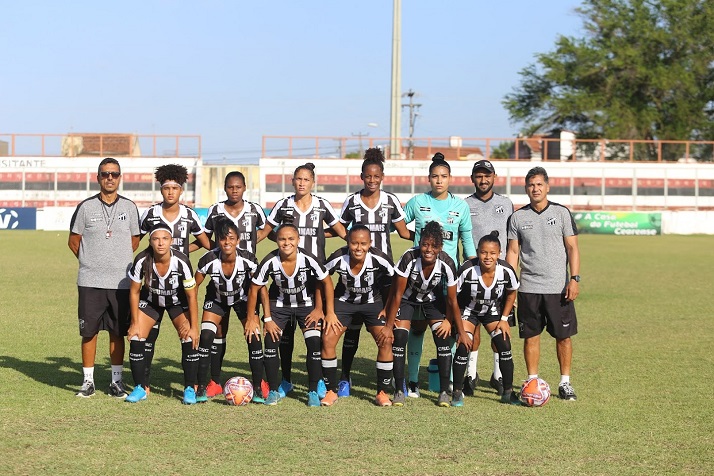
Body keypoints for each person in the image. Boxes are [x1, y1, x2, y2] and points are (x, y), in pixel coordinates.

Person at [262, 163, 346, 397]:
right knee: (286, 334)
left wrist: (361, 246)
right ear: (293, 181)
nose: (302, 183)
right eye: (298, 179)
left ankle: (316, 381)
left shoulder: (321, 205)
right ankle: (286, 380)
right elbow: (268, 230)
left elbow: (340, 230)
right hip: (288, 274)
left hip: (314, 277)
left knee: (313, 330)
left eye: (306, 180)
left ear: (313, 182)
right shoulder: (283, 204)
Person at [336, 148, 410, 397]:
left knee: (392, 329)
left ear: (382, 177)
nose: (372, 180)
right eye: (368, 176)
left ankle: (394, 382)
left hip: (383, 277)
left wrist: (429, 236)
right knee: (352, 329)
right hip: (355, 272)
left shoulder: (390, 201)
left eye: (376, 176)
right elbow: (340, 229)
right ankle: (345, 378)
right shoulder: (352, 201)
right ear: (362, 177)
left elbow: (403, 232)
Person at [402, 153, 476, 398]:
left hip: (448, 279)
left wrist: (473, 266)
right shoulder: (417, 202)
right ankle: (412, 381)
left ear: (450, 179)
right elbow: (400, 224)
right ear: (429, 179)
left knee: (450, 328)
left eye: (443, 176)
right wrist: (413, 241)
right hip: (419, 277)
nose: (439, 181)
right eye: (435, 176)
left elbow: (466, 240)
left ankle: (453, 382)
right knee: (417, 328)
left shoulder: (460, 206)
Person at [244, 224, 342, 407]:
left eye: (291, 239)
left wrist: (326, 311)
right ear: (276, 240)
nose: (286, 243)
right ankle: (274, 389)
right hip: (279, 307)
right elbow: (254, 289)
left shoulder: (308, 258)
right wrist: (254, 318)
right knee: (270, 343)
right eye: (282, 239)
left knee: (314, 343)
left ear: (298, 240)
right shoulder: (270, 260)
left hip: (306, 307)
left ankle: (312, 391)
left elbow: (327, 282)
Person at [506, 166, 580, 401]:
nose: (535, 188)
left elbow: (572, 248)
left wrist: (574, 279)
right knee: (531, 336)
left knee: (563, 337)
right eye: (531, 184)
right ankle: (532, 380)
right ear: (526, 188)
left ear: (547, 187)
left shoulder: (561, 213)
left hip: (558, 288)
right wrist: (511, 285)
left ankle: (565, 382)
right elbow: (513, 252)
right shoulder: (517, 217)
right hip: (529, 288)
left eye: (539, 184)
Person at [68, 157, 141, 398]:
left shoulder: (130, 207)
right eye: (105, 173)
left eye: (114, 174)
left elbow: (134, 240)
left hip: (121, 282)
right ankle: (88, 381)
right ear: (98, 177)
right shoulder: (86, 207)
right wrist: (91, 261)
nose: (110, 177)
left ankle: (116, 382)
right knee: (89, 332)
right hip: (90, 281)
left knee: (117, 332)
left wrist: (116, 261)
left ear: (120, 178)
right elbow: (74, 240)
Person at [138, 164, 210, 394]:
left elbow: (206, 243)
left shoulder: (189, 215)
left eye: (175, 188)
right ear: (161, 189)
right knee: (147, 337)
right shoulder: (150, 213)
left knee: (188, 336)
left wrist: (182, 251)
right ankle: (144, 384)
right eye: (166, 188)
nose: (170, 192)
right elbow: (133, 240)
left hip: (180, 288)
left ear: (181, 191)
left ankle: (192, 386)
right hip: (153, 286)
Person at [378, 221, 465, 407]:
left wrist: (450, 322)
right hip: (407, 300)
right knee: (400, 337)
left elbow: (452, 300)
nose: (428, 249)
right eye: (425, 244)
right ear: (420, 242)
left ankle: (443, 392)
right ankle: (399, 390)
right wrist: (388, 326)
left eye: (434, 246)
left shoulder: (448, 263)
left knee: (442, 337)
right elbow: (397, 294)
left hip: (432, 301)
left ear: (440, 247)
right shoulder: (409, 257)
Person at [201, 171, 269, 398]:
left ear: (244, 187)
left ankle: (260, 385)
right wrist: (220, 248)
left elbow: (267, 229)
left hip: (245, 282)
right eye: (230, 187)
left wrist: (249, 242)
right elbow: (206, 236)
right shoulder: (216, 210)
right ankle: (213, 381)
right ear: (225, 188)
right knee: (216, 334)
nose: (234, 190)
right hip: (220, 281)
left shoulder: (255, 209)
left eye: (238, 187)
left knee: (252, 331)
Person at [321, 225, 396, 406]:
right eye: (354, 243)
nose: (358, 248)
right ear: (348, 242)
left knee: (386, 340)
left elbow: (397, 282)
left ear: (370, 244)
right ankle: (331, 390)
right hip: (344, 303)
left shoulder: (379, 258)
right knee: (328, 339)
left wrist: (387, 308)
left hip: (372, 303)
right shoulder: (339, 257)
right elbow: (321, 278)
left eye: (363, 243)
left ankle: (382, 392)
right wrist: (328, 311)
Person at [125, 223, 199, 404]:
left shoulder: (181, 261)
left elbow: (191, 296)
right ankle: (140, 387)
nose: (160, 243)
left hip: (177, 302)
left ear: (171, 241)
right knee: (136, 337)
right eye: (156, 239)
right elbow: (134, 291)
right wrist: (134, 322)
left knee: (189, 338)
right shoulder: (142, 259)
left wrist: (195, 327)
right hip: (150, 302)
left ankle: (189, 388)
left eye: (164, 239)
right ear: (150, 241)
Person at [463, 159, 515, 396]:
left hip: (500, 277)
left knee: (500, 330)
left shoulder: (506, 203)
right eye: (479, 176)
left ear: (494, 177)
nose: (483, 180)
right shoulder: (465, 205)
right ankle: (471, 374)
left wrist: (511, 271)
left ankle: (498, 374)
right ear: (473, 179)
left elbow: (513, 241)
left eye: (487, 175)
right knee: (471, 328)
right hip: (472, 276)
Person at [452, 231, 520, 406]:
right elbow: (452, 297)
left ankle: (508, 392)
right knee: (463, 345)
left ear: (499, 254)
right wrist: (458, 326)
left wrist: (504, 319)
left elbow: (512, 292)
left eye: (492, 253)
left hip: (492, 312)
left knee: (504, 344)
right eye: (483, 252)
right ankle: (457, 392)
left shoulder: (506, 271)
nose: (487, 257)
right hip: (468, 311)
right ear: (478, 251)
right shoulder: (467, 269)